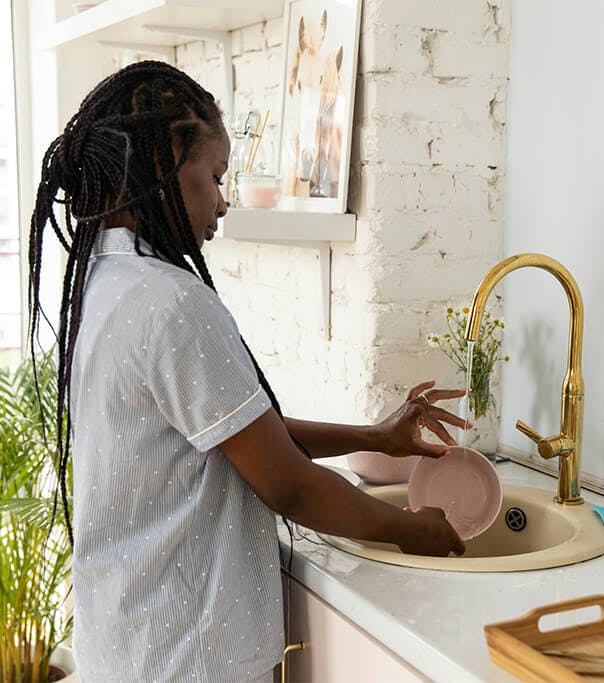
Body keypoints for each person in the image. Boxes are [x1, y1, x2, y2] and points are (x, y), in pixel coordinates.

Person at [27, 61, 467, 683]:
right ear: (164, 165)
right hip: (187, 656)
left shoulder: (104, 283)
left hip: (128, 643)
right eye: (215, 176)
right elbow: (287, 483)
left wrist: (373, 438)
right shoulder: (172, 303)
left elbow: (237, 431)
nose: (223, 202)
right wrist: (409, 529)